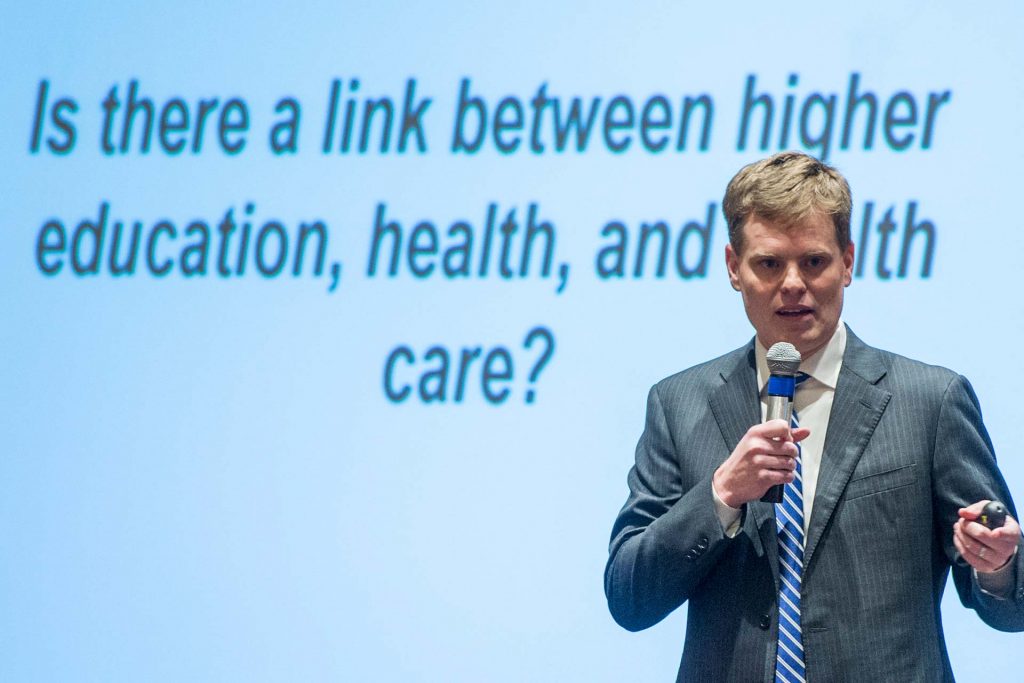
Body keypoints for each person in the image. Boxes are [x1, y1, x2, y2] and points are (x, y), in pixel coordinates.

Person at [604, 152, 1024, 681]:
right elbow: (628, 597)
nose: (793, 284)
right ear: (734, 267)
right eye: (770, 264)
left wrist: (1000, 566)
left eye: (815, 262)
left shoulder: (930, 401)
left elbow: (1014, 605)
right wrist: (720, 497)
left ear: (848, 261)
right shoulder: (677, 404)